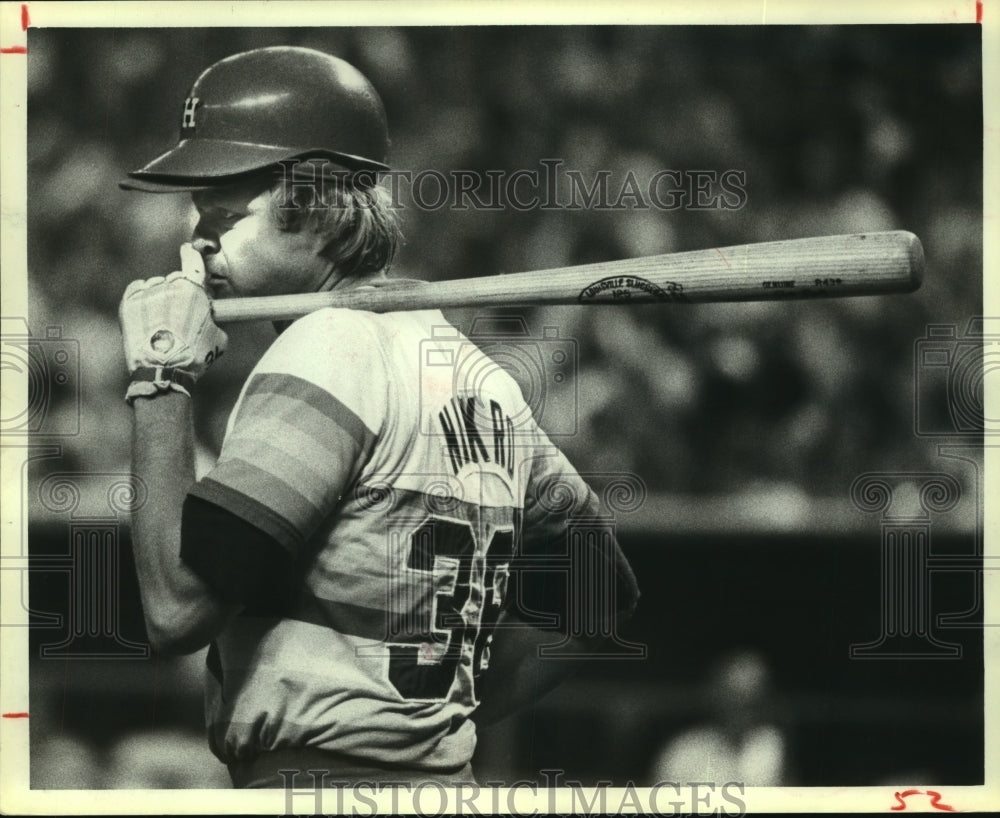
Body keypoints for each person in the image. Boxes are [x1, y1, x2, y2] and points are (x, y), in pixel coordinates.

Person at [117, 45, 640, 789]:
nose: (196, 234)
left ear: (320, 206)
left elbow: (175, 610)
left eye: (225, 208)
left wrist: (160, 374)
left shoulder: (325, 347)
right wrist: (425, 732)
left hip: (309, 787)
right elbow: (595, 602)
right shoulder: (480, 376)